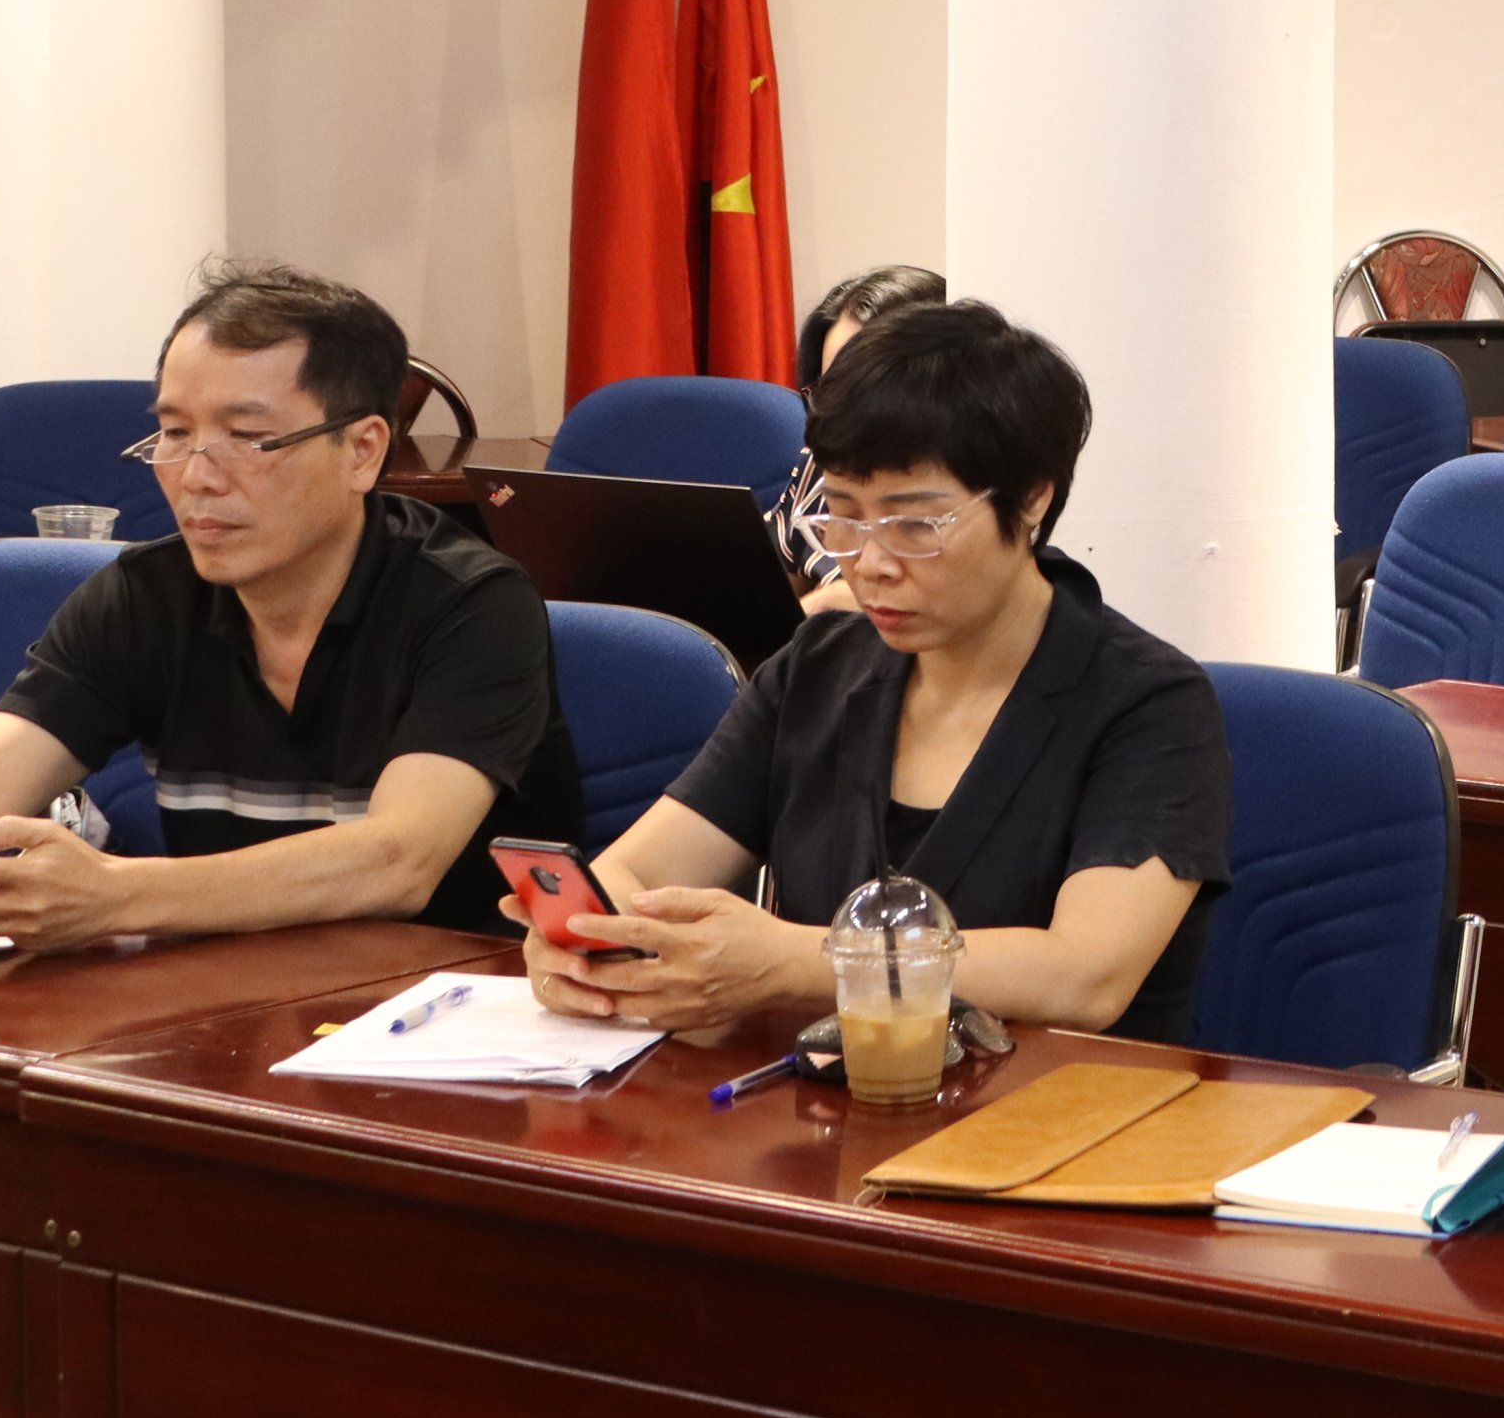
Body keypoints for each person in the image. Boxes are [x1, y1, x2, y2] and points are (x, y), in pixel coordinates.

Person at [519, 300, 1232, 1041]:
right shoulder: (820, 666)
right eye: (843, 516)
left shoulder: (1149, 704)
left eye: (914, 524)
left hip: (1062, 1100)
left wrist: (794, 961)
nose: (870, 562)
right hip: (826, 1093)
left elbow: (1084, 975)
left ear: (1031, 499)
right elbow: (635, 874)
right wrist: (584, 937)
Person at [0, 263, 582, 944]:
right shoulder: (144, 597)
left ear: (362, 450)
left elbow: (398, 860)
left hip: (437, 999)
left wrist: (116, 895)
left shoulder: (472, 604)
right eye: (176, 433)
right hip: (219, 989)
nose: (196, 476)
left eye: (248, 437)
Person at [779, 261, 948, 617]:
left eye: (865, 388)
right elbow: (780, 582)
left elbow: (958, 598)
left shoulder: (959, 474)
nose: (846, 410)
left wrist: (828, 601)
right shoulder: (819, 460)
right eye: (831, 388)